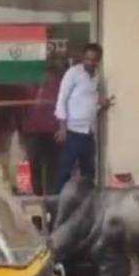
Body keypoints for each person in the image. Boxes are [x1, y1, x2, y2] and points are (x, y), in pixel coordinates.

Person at [54, 43, 113, 196]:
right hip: (72, 131)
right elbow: (62, 100)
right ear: (82, 58)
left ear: (98, 60)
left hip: (88, 132)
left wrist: (101, 105)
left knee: (89, 173)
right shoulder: (73, 73)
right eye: (87, 59)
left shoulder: (96, 77)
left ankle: (87, 205)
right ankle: (57, 205)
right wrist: (62, 127)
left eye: (94, 60)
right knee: (64, 172)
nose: (90, 62)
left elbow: (89, 102)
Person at [22, 54, 67, 195]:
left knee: (52, 167)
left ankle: (51, 199)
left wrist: (62, 127)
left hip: (52, 131)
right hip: (32, 131)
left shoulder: (58, 85)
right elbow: (22, 108)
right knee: (34, 165)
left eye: (48, 72)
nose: (45, 76)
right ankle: (38, 196)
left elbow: (63, 106)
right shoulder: (29, 86)